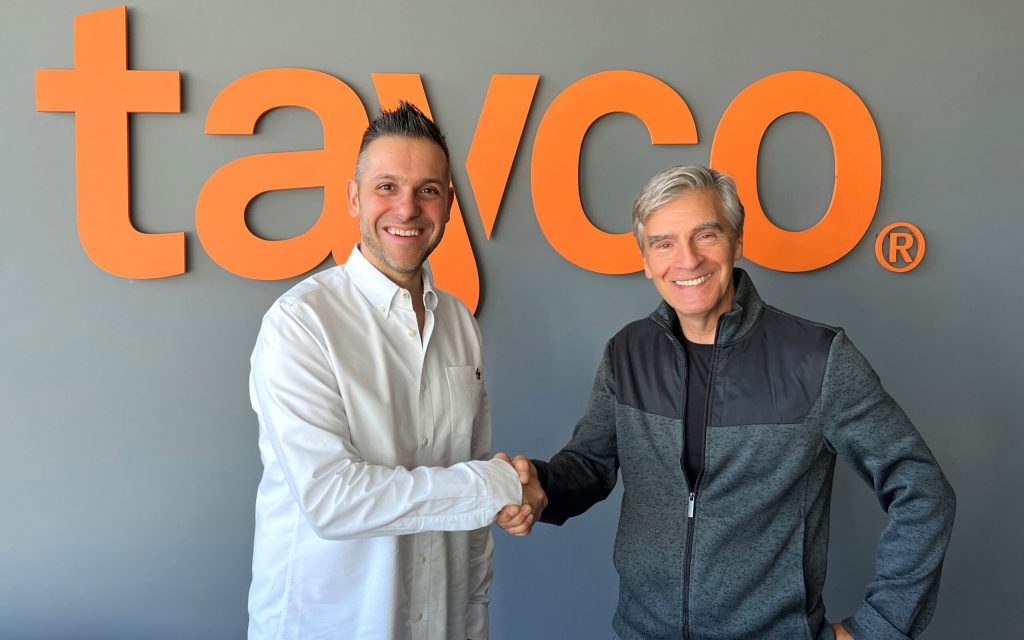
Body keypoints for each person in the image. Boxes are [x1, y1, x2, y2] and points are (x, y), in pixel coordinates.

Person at [498, 165, 955, 640]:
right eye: (663, 243)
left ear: (737, 242)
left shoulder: (818, 358)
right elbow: (590, 464)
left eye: (706, 235)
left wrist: (879, 628)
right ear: (646, 260)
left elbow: (922, 487)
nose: (687, 260)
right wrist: (537, 488)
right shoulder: (627, 352)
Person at [248, 102, 528, 640]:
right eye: (386, 187)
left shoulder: (460, 324)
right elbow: (332, 500)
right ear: (355, 197)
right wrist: (497, 485)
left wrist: (473, 619)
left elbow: (469, 504)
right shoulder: (301, 323)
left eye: (428, 190)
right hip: (331, 627)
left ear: (448, 204)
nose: (407, 208)